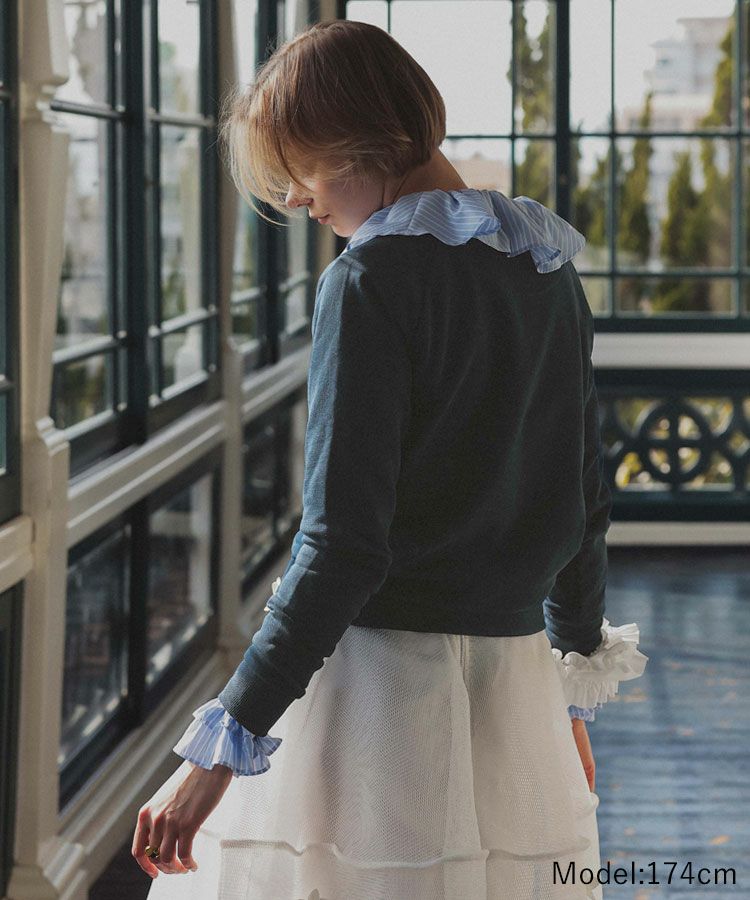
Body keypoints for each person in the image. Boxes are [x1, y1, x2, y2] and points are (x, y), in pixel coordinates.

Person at [132, 19, 648, 900]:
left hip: (381, 698)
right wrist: (566, 697)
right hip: (512, 693)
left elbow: (342, 547)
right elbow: (582, 504)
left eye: (300, 169)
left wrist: (219, 751)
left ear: (357, 142)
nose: (298, 199)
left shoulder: (369, 280)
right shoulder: (547, 268)